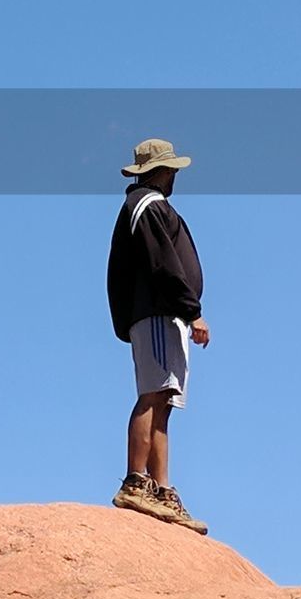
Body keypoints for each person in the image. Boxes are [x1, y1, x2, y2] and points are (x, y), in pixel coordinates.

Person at [106, 138, 211, 534]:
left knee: (164, 398)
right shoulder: (146, 206)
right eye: (172, 170)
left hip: (166, 315)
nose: (175, 177)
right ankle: (136, 480)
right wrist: (192, 309)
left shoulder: (147, 207)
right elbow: (163, 263)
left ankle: (161, 489)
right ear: (160, 171)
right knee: (153, 394)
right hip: (157, 313)